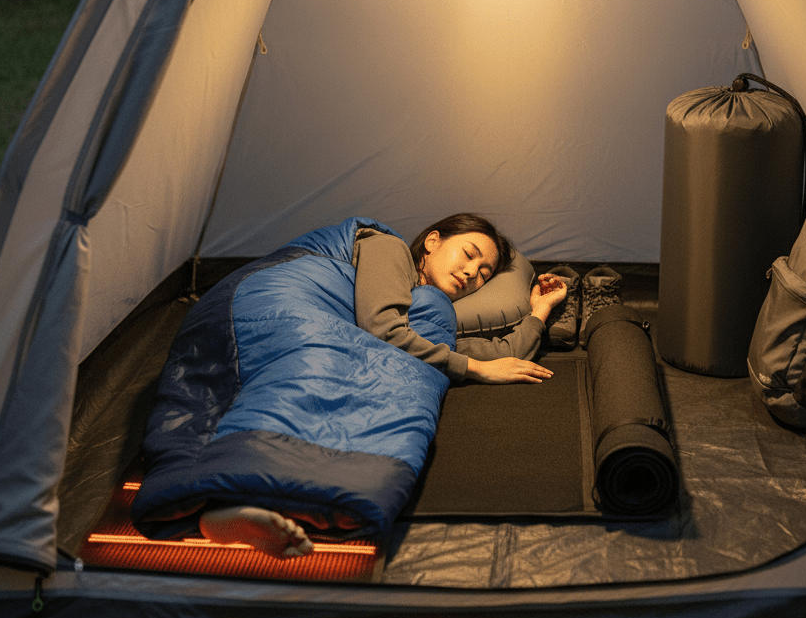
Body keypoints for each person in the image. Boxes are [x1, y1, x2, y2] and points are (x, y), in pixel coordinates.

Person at [198, 213, 568, 559]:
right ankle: (223, 493)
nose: (472, 273)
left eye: (484, 274)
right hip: (282, 297)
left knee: (405, 389)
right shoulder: (386, 247)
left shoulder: (425, 312)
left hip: (360, 324)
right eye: (469, 255)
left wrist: (540, 311)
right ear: (433, 242)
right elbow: (383, 331)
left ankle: (298, 499)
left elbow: (498, 358)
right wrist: (471, 368)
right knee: (315, 367)